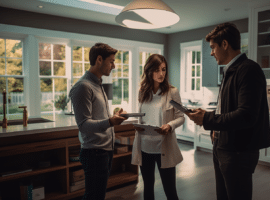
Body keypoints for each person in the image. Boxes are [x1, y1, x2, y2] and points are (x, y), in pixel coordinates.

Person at [186, 23, 270, 200]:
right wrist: (212, 123)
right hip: (224, 147)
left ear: (224, 44)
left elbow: (246, 115)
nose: (211, 53)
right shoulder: (229, 70)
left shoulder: (248, 69)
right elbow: (228, 108)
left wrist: (208, 119)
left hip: (238, 152)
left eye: (213, 47)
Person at [69, 43, 127, 200]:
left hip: (104, 151)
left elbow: (98, 117)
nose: (114, 66)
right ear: (99, 59)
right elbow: (84, 125)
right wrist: (110, 121)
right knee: (94, 196)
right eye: (111, 61)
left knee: (97, 196)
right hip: (94, 153)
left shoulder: (98, 84)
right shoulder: (83, 87)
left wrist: (113, 116)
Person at [131, 54, 185, 200]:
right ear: (149, 71)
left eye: (163, 69)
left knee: (170, 191)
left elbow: (181, 117)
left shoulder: (172, 92)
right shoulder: (143, 91)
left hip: (164, 148)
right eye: (156, 70)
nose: (161, 74)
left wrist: (170, 125)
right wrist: (138, 126)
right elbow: (143, 116)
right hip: (145, 148)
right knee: (147, 188)